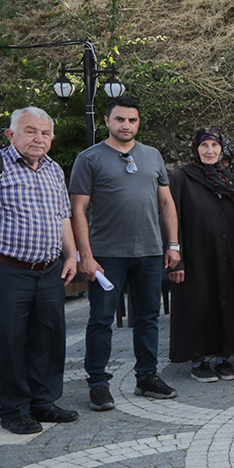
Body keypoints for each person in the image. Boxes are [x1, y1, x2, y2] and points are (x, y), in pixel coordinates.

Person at [0, 107, 77, 434]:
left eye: (45, 133)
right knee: (10, 342)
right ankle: (14, 409)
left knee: (48, 338)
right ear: (11, 134)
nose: (39, 138)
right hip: (7, 270)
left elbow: (63, 215)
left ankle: (44, 402)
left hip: (49, 270)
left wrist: (71, 254)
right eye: (30, 131)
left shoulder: (54, 169)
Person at [70, 96, 179, 410]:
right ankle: (98, 383)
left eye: (132, 120)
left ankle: (147, 376)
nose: (126, 125)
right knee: (101, 320)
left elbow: (166, 202)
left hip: (149, 252)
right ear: (107, 121)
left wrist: (172, 245)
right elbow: (77, 210)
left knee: (148, 318)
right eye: (119, 119)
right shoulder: (89, 159)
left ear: (138, 122)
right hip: (107, 255)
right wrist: (85, 255)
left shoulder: (152, 155)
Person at [167, 128, 234, 383]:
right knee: (198, 305)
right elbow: (172, 218)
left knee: (224, 303)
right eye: (205, 145)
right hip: (196, 254)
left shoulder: (226, 178)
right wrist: (177, 258)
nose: (210, 151)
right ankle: (198, 360)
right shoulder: (181, 177)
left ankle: (223, 358)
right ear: (196, 148)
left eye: (215, 145)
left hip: (226, 253)